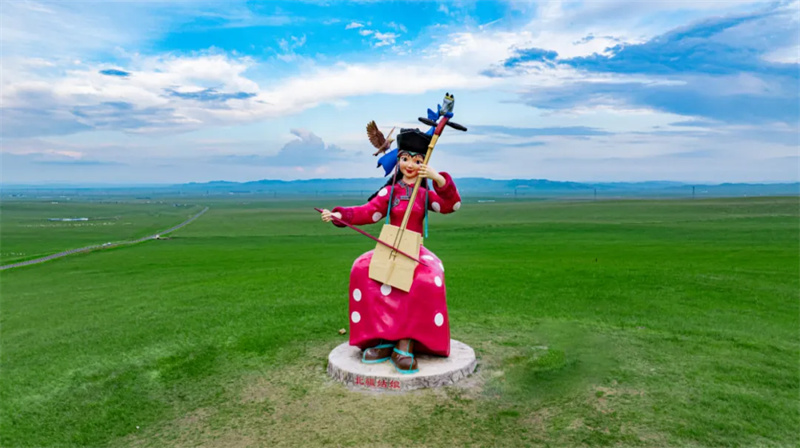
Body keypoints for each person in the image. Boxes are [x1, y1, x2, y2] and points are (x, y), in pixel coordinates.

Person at [320, 128, 462, 374]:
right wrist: (340, 215)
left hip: (414, 249)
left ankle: (406, 342)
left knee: (426, 279)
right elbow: (368, 211)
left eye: (417, 161)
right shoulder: (390, 192)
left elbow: (452, 205)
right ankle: (382, 338)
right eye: (405, 158)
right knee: (362, 270)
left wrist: (438, 178)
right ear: (398, 160)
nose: (410, 165)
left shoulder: (424, 195)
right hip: (390, 246)